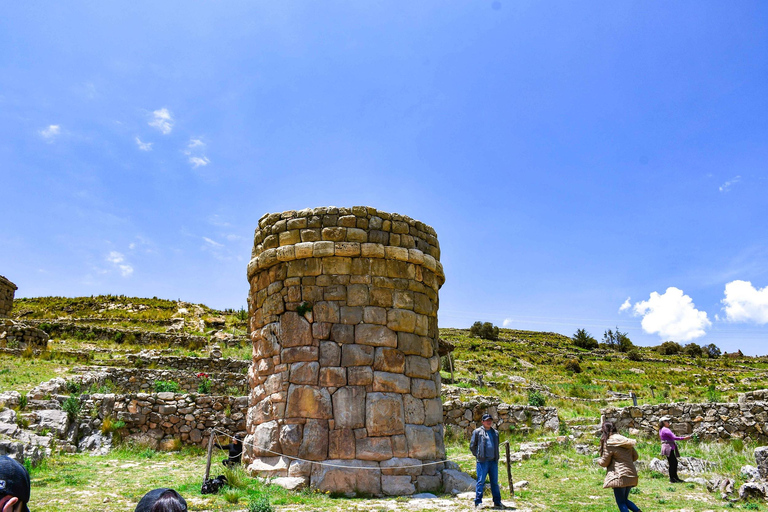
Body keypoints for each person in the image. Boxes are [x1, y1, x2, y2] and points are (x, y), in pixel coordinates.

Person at [597, 422, 642, 512]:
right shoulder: (625, 441)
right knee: (625, 500)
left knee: (621, 502)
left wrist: (598, 460)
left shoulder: (609, 443)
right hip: (631, 474)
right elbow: (635, 456)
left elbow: (604, 462)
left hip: (619, 476)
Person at [469, 413, 507, 509]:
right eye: (486, 420)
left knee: (494, 482)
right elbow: (472, 446)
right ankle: (478, 502)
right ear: (482, 422)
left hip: (493, 461)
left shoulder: (495, 433)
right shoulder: (477, 432)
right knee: (481, 482)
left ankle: (497, 502)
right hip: (482, 462)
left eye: (490, 420)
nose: (489, 422)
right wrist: (478, 455)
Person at [659, 416, 692, 483]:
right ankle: (673, 479)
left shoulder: (662, 429)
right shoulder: (665, 429)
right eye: (666, 421)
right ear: (663, 422)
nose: (668, 422)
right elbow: (674, 437)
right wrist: (684, 438)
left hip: (667, 447)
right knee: (673, 463)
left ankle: (674, 478)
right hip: (668, 447)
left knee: (673, 462)